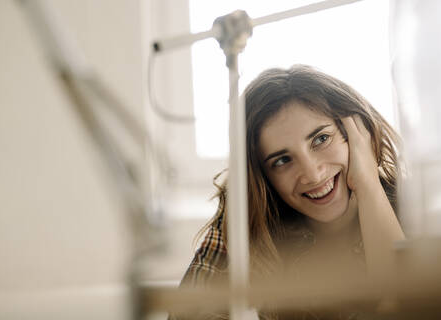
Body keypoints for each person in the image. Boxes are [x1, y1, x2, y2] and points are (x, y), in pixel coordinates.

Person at [172, 65, 405, 319]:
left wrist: (369, 185)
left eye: (321, 139)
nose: (313, 175)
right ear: (263, 177)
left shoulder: (417, 207)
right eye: (282, 161)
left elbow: (411, 308)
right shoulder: (249, 222)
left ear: (356, 134)